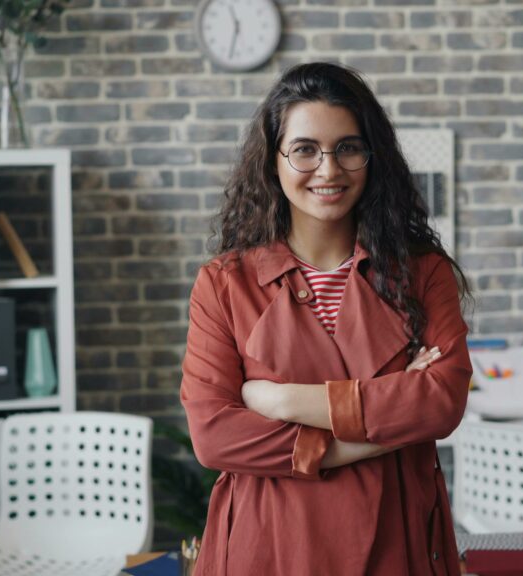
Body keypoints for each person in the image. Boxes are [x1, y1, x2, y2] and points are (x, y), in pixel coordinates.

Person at [181, 62, 473, 575]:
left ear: (372, 157)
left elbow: (442, 402)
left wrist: (280, 399)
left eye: (348, 148)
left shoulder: (423, 273)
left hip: (394, 541)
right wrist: (374, 429)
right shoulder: (224, 283)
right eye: (305, 149)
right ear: (273, 160)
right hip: (269, 545)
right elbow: (214, 435)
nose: (329, 169)